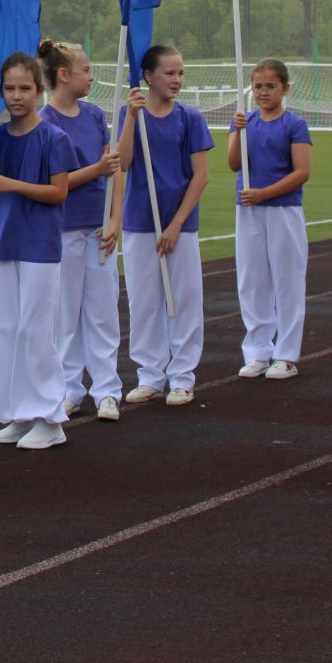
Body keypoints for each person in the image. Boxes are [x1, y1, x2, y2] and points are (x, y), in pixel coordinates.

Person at [0, 51, 79, 449]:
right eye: (10, 88)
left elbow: (59, 192)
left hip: (39, 246)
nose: (17, 96)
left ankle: (51, 416)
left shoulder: (53, 137)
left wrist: (9, 183)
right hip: (5, 242)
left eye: (25, 88)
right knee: (6, 330)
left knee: (35, 330)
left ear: (39, 90)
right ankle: (20, 411)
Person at [116, 44, 213, 406]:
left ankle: (182, 376)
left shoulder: (190, 118)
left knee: (185, 299)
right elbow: (122, 164)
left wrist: (175, 225)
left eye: (180, 73)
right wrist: (129, 118)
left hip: (181, 224)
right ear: (149, 76)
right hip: (141, 221)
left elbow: (201, 177)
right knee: (144, 300)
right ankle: (150, 374)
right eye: (170, 73)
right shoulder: (133, 115)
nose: (177, 80)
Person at [38, 40, 124, 420]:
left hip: (98, 225)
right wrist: (96, 170)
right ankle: (70, 386)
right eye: (85, 70)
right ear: (63, 75)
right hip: (64, 227)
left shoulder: (93, 114)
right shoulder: (45, 121)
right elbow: (57, 181)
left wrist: (116, 219)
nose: (91, 76)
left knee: (103, 310)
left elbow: (115, 166)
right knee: (65, 314)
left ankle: (107, 389)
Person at [226, 58, 313, 380]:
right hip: (248, 210)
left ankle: (286, 355)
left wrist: (265, 193)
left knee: (287, 280)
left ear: (285, 88)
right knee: (252, 280)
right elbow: (234, 164)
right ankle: (258, 350)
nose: (264, 92)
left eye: (271, 86)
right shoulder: (244, 122)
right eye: (259, 86)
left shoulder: (294, 124)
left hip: (283, 210)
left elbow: (302, 172)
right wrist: (237, 132)